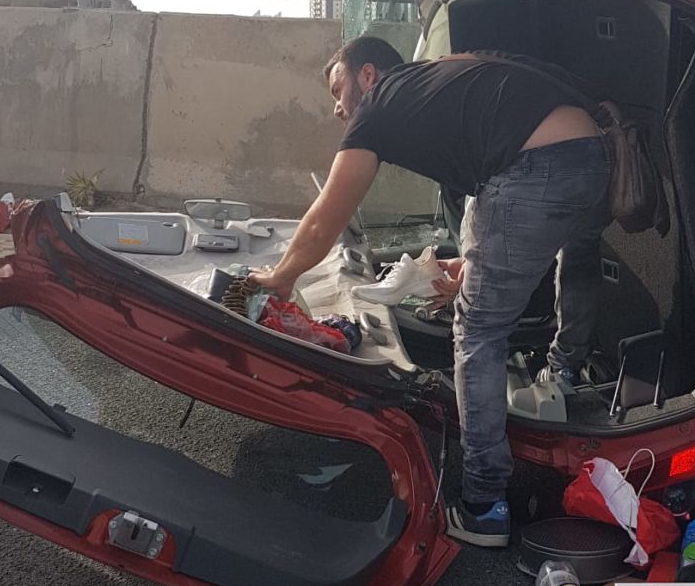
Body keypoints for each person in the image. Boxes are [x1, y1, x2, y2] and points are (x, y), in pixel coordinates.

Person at [249, 36, 611, 548]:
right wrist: (472, 263)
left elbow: (328, 214)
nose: (337, 108)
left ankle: (484, 505)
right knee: (576, 257)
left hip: (533, 167)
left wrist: (282, 276)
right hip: (595, 155)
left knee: (479, 331)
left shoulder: (378, 105)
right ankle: (567, 371)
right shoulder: (442, 74)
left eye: (337, 90)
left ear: (367, 75)